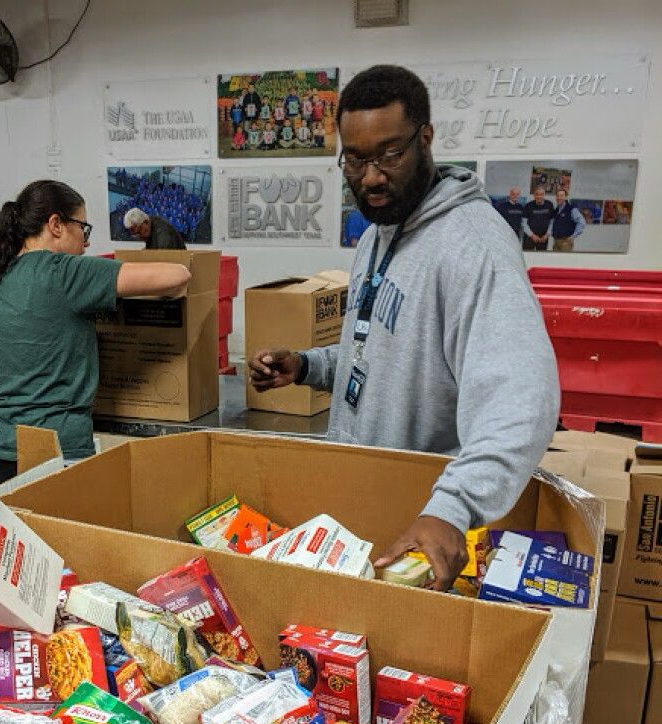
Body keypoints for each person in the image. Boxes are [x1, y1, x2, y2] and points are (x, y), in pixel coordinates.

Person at [248, 64, 559, 590]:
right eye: (356, 159)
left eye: (390, 154)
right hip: (359, 508)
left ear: (426, 138)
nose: (371, 176)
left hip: (421, 532)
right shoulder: (378, 232)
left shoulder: (474, 246)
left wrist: (453, 508)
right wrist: (307, 366)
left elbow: (521, 401)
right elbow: (379, 351)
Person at [0, 180, 190, 489]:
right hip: (56, 450)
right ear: (56, 224)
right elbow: (177, 275)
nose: (85, 245)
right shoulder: (65, 272)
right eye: (83, 230)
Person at [551, 188, 586, 252]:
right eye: (558, 196)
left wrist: (573, 236)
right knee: (555, 261)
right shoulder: (556, 210)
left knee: (564, 261)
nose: (559, 198)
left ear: (565, 197)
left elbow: (582, 222)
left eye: (561, 196)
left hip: (566, 242)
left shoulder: (571, 209)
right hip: (556, 241)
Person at [522, 187, 555, 251]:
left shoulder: (549, 205)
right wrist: (532, 235)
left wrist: (547, 234)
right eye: (537, 194)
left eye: (541, 194)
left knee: (541, 258)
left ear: (544, 195)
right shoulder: (528, 206)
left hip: (543, 238)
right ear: (534, 195)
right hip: (529, 238)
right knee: (527, 257)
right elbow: (523, 223)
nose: (539, 196)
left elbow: (552, 222)